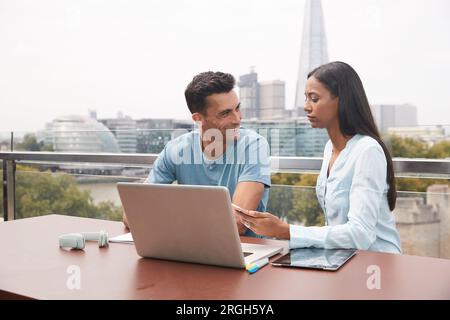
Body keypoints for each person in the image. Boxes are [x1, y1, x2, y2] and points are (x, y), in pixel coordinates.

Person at [235, 61, 402, 253]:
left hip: (377, 263)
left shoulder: (367, 151)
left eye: (314, 99)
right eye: (306, 98)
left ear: (341, 100)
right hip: (343, 258)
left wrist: (286, 230)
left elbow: (360, 234)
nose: (306, 107)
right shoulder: (330, 147)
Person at [123, 71, 271, 236]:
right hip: (190, 247)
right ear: (198, 118)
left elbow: (238, 222)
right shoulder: (176, 149)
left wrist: (173, 222)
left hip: (247, 251)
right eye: (225, 113)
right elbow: (132, 214)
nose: (236, 119)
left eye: (237, 108)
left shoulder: (254, 146)